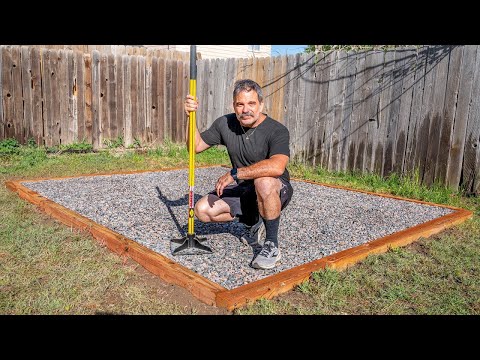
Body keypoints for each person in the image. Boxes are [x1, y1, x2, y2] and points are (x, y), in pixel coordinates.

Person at [184, 79, 293, 270]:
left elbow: (277, 167)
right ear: (234, 106)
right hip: (244, 187)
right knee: (202, 210)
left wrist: (235, 173)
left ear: (261, 104)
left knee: (264, 182)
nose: (246, 109)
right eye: (240, 104)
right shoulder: (225, 124)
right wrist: (189, 117)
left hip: (275, 188)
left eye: (251, 103)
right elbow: (195, 147)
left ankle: (271, 244)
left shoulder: (276, 130)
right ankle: (254, 220)